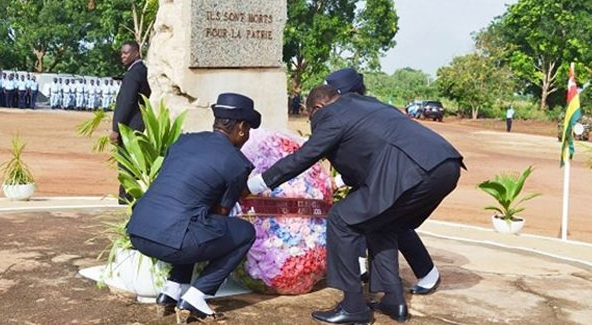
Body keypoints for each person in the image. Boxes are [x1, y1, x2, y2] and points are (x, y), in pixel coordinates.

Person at [248, 84, 464, 324]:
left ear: (318, 107)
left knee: (341, 219)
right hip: (446, 164)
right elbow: (360, 157)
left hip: (410, 170)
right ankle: (394, 300)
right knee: (380, 224)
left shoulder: (332, 114)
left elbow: (305, 156)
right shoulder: (366, 104)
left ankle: (353, 307)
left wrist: (258, 184)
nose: (314, 123)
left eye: (312, 116)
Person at [127, 92, 260, 323]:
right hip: (172, 240)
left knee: (193, 220)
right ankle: (197, 297)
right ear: (240, 127)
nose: (247, 136)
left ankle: (171, 291)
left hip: (138, 231)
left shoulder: (184, 141)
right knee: (244, 233)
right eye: (248, 130)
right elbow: (220, 214)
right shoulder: (236, 163)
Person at [326, 68, 442, 295]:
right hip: (380, 174)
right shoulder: (357, 109)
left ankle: (422, 272)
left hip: (397, 173)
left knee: (380, 218)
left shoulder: (364, 110)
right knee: (378, 218)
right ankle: (397, 276)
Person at [110, 41, 151, 204]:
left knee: (126, 162)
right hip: (139, 123)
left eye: (126, 53)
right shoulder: (142, 71)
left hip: (130, 126)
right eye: (122, 53)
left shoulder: (134, 73)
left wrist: (116, 128)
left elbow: (126, 103)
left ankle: (126, 197)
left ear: (136, 53)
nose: (123, 56)